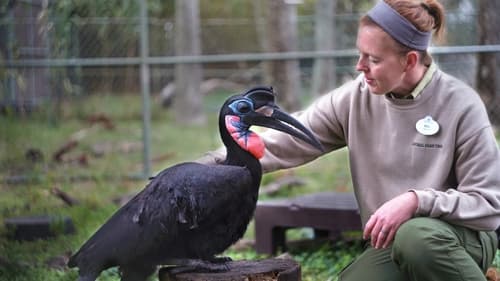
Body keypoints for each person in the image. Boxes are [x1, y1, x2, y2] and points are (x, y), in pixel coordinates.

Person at [198, 0, 500, 280]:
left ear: (409, 61)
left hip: (461, 236)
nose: (360, 66)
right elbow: (281, 142)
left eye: (373, 59)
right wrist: (200, 172)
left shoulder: (460, 104)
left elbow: (488, 203)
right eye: (360, 53)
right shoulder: (356, 98)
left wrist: (415, 200)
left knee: (417, 239)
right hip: (392, 243)